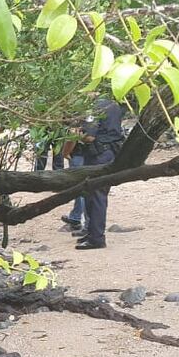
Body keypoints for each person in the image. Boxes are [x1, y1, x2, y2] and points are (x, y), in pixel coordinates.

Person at [74, 96, 125, 250]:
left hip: (98, 155)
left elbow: (90, 136)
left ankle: (96, 238)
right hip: (110, 153)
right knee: (93, 194)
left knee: (96, 196)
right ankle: (92, 233)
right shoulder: (113, 104)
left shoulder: (94, 107)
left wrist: (74, 135)